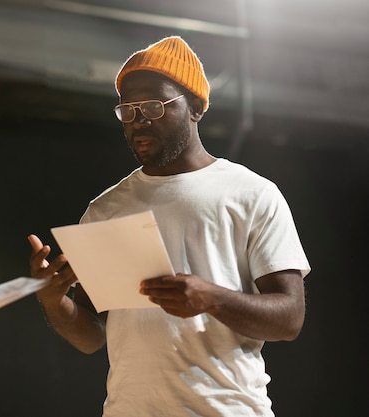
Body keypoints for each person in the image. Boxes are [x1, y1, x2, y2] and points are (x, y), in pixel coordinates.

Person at [28, 36, 310, 417]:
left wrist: (211, 298)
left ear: (195, 107)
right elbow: (93, 334)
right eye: (127, 110)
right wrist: (53, 302)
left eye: (152, 105)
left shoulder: (252, 193)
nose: (138, 119)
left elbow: (290, 319)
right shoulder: (106, 209)